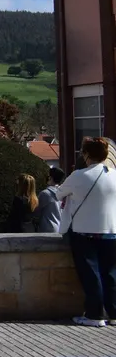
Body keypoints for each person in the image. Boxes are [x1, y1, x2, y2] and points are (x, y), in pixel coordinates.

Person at [57, 137, 116, 327]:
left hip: (84, 232)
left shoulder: (78, 176)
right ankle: (114, 313)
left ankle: (94, 315)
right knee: (111, 274)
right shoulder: (114, 175)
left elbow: (58, 194)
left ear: (86, 155)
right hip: (112, 231)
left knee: (91, 275)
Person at [35, 167, 65, 234]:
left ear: (50, 177)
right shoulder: (63, 193)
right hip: (60, 228)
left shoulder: (45, 194)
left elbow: (36, 211)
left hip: (47, 229)